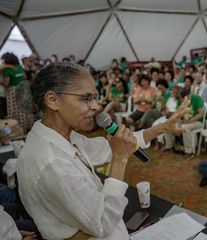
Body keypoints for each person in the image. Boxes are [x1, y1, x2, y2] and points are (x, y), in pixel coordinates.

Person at [15, 62, 190, 239]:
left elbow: (105, 149)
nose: (96, 106)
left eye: (95, 97)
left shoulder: (62, 135)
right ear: (53, 100)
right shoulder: (51, 163)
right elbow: (103, 222)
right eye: (86, 98)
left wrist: (161, 128)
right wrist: (120, 159)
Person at [163, 88, 205, 157]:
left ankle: (189, 152)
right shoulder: (180, 100)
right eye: (181, 99)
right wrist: (178, 121)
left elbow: (201, 114)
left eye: (184, 99)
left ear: (188, 96)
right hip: (185, 120)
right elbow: (178, 113)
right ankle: (169, 146)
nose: (182, 101)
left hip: (197, 122)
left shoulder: (197, 98)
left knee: (184, 127)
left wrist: (190, 121)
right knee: (169, 124)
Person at [1, 53, 34, 133]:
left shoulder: (7, 70)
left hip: (12, 92)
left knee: (15, 110)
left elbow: (6, 83)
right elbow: (24, 77)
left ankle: (18, 128)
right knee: (23, 109)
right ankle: (28, 126)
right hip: (22, 89)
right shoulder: (19, 67)